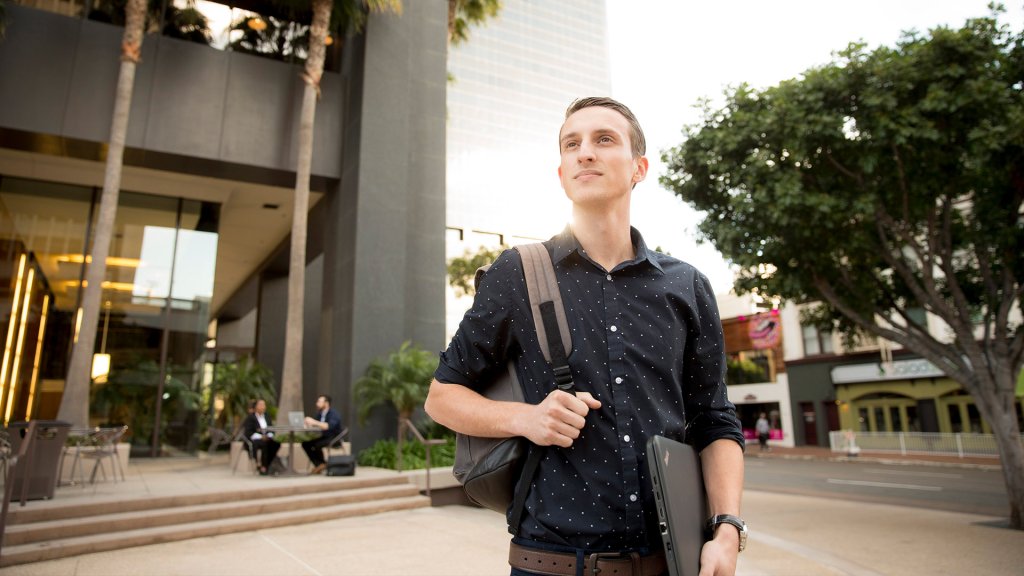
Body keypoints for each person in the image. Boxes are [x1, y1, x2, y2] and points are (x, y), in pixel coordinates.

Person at [425, 97, 746, 576]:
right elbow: (441, 398)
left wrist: (727, 530)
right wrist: (527, 418)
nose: (585, 152)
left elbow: (715, 420)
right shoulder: (517, 273)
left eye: (604, 140)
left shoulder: (687, 285)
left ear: (639, 168)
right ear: (561, 174)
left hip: (667, 563)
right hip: (549, 563)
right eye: (571, 144)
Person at [301, 394, 343, 475]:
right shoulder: (320, 414)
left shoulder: (333, 414)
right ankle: (320, 464)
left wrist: (314, 422)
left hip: (334, 437)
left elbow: (328, 426)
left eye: (319, 401)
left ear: (326, 403)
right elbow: (316, 424)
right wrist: (308, 424)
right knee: (306, 444)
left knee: (317, 445)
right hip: (323, 437)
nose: (317, 403)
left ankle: (321, 464)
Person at [242, 398, 281, 476]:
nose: (263, 407)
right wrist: (261, 437)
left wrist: (269, 435)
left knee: (276, 444)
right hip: (255, 439)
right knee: (263, 444)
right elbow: (249, 432)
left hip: (267, 438)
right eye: (260, 405)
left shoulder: (267, 416)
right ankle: (262, 465)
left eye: (264, 405)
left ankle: (268, 464)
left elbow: (271, 429)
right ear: (255, 407)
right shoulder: (251, 417)